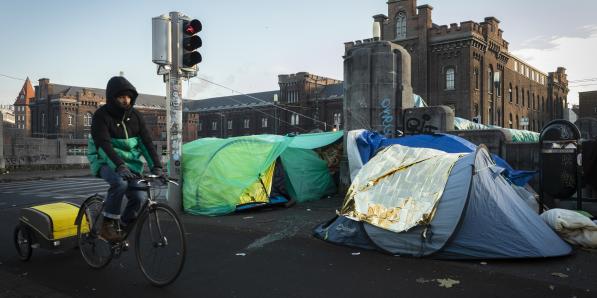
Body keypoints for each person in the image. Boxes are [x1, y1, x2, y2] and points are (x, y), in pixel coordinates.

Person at [87, 76, 163, 242]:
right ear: (112, 98)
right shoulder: (101, 116)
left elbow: (146, 143)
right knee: (120, 183)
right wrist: (119, 166)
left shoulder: (136, 116)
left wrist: (157, 167)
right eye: (121, 97)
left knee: (140, 197)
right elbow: (104, 145)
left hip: (130, 165)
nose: (125, 100)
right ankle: (107, 225)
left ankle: (120, 226)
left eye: (128, 97)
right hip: (104, 160)